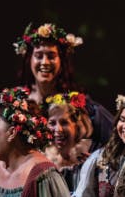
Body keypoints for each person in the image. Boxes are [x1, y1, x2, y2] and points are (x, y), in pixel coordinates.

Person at [13, 22, 113, 150]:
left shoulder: (79, 103)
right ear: (29, 59)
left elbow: (113, 137)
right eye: (38, 56)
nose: (45, 62)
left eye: (51, 56)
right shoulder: (18, 102)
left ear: (62, 60)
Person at [43, 90, 94, 197]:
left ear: (77, 126)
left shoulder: (89, 158)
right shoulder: (41, 158)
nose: (58, 129)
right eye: (52, 123)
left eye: (64, 123)